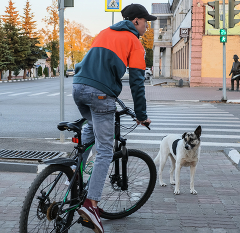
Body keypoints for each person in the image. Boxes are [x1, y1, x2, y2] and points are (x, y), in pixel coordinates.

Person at [73, 3, 156, 233]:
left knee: (90, 133)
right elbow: (138, 82)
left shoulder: (103, 33)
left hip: (78, 87)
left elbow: (85, 63)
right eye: (145, 21)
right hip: (100, 94)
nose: (147, 26)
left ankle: (76, 181)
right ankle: (91, 204)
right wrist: (141, 115)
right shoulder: (134, 42)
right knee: (106, 149)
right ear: (136, 21)